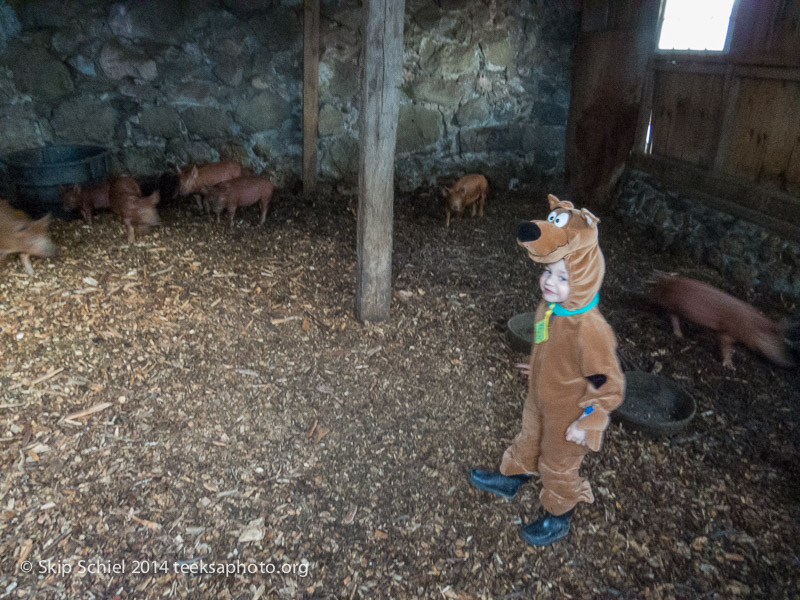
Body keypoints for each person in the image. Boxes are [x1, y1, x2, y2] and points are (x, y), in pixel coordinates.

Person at [470, 194, 625, 546]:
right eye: (548, 272)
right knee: (529, 439)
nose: (549, 282)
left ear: (584, 279)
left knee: (559, 464)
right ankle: (514, 476)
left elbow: (608, 385)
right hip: (540, 397)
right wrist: (538, 364)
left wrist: (587, 421)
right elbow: (545, 342)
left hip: (569, 415)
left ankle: (559, 513)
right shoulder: (550, 307)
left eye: (562, 277)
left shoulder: (590, 328)